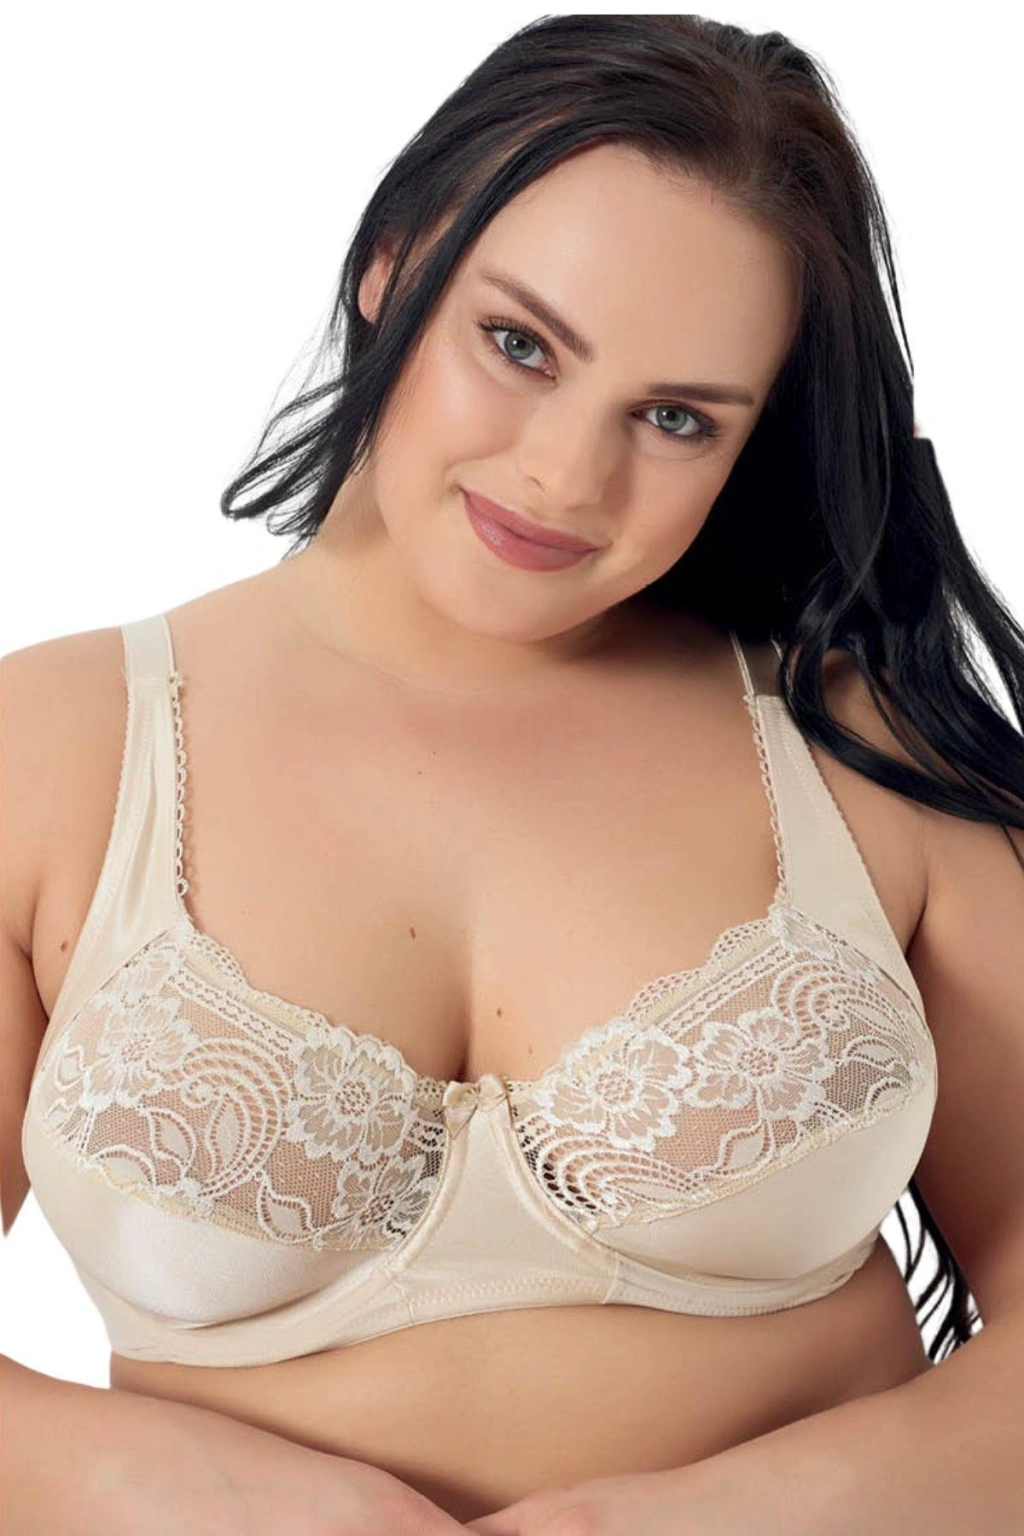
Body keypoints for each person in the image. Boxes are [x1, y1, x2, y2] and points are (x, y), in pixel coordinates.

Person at [4, 14, 1023, 1534]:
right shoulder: (55, 750)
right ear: (391, 268)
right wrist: (203, 1495)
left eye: (675, 419)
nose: (563, 475)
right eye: (520, 345)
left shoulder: (853, 747)